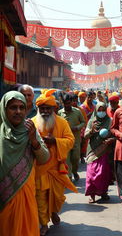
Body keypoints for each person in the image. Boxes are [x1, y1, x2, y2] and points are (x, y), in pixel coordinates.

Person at [0, 91, 49, 236]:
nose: (18, 111)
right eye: (13, 107)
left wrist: (34, 140)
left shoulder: (30, 129)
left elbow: (44, 158)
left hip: (25, 192)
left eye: (22, 107)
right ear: (4, 109)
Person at [32, 89, 78, 235]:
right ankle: (44, 223)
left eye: (48, 108)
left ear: (54, 108)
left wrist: (55, 141)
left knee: (58, 197)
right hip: (39, 168)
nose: (45, 111)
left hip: (57, 168)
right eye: (42, 108)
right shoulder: (32, 123)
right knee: (40, 198)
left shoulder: (62, 122)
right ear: (38, 108)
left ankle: (53, 212)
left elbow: (71, 141)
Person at [84, 102, 114, 203]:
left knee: (104, 173)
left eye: (103, 110)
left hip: (105, 150)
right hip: (92, 151)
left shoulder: (110, 121)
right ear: (96, 110)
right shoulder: (92, 121)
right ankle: (91, 194)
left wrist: (110, 139)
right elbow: (85, 136)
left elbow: (114, 133)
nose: (101, 112)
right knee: (91, 174)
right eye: (99, 110)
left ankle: (103, 192)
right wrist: (92, 130)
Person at [58, 93, 86, 181]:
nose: (67, 105)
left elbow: (83, 122)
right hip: (65, 141)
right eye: (65, 103)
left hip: (76, 141)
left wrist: (77, 128)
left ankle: (74, 171)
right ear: (62, 103)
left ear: (71, 102)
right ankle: (69, 177)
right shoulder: (60, 113)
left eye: (68, 103)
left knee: (75, 159)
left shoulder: (77, 111)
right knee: (67, 160)